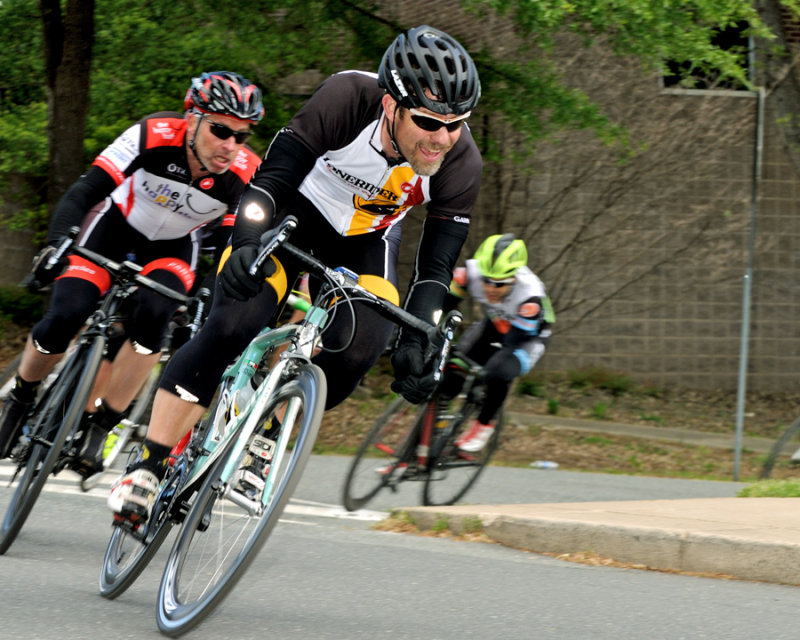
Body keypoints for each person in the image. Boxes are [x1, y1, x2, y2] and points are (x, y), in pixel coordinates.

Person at [107, 24, 483, 523]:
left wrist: (420, 332)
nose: (442, 139)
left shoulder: (460, 161)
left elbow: (435, 268)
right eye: (429, 122)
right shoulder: (347, 98)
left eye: (456, 124)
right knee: (232, 325)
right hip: (290, 216)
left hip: (365, 242)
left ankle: (265, 439)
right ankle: (149, 465)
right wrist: (244, 243)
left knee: (360, 351)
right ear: (391, 105)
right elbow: (271, 182)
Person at [0, 71, 264, 478]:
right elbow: (85, 191)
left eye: (241, 137)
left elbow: (232, 245)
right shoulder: (153, 134)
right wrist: (55, 245)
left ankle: (101, 424)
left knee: (155, 317)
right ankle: (21, 396)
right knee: (67, 312)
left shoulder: (244, 172)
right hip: (113, 227)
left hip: (174, 247)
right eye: (220, 130)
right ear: (191, 119)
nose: (230, 146)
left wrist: (211, 291)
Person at [443, 233, 554, 452]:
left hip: (527, 337)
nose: (490, 288)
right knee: (451, 367)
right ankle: (432, 430)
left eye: (499, 283)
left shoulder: (531, 296)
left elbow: (511, 343)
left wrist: (483, 371)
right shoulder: (468, 274)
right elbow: (441, 307)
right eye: (486, 280)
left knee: (498, 372)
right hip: (494, 323)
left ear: (514, 277)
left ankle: (484, 423)